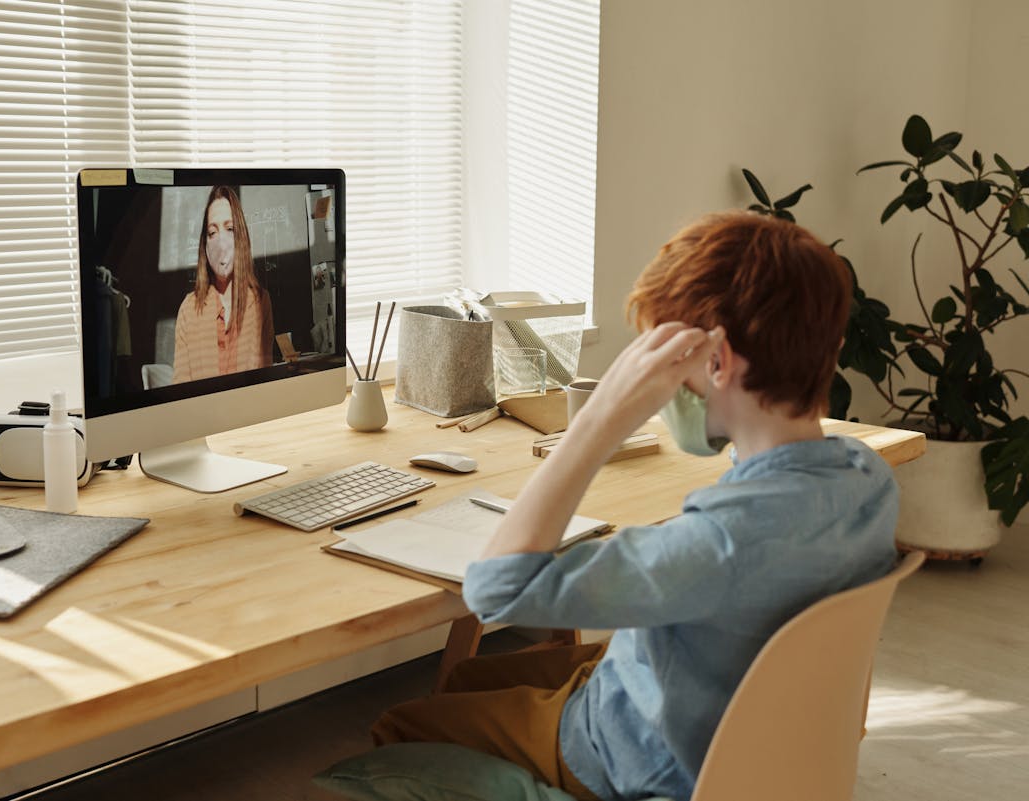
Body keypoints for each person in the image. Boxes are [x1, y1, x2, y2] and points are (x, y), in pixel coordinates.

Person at [371, 211, 899, 801]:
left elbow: (496, 588)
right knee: (469, 678)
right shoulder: (868, 479)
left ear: (717, 361)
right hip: (735, 731)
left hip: (634, 757)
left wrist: (600, 420)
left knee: (404, 721)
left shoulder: (717, 545)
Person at [172, 185, 274, 381]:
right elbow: (180, 390)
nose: (221, 243)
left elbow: (263, 383)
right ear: (205, 245)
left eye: (230, 229)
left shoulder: (261, 302)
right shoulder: (188, 309)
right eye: (212, 232)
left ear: (241, 238)